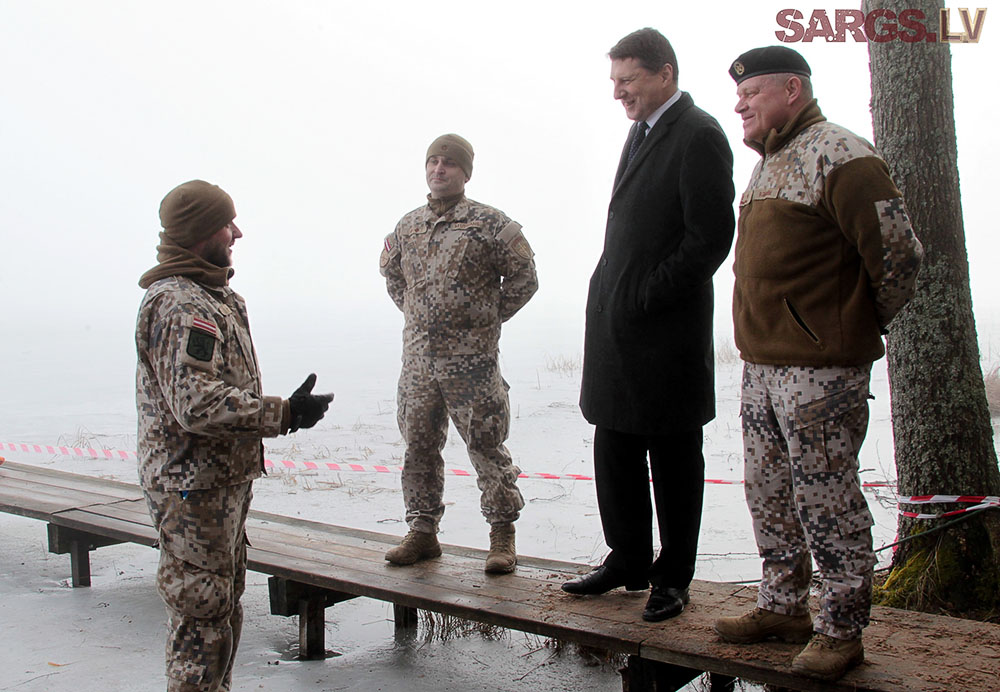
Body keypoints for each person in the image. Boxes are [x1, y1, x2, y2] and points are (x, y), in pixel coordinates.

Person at [712, 46, 923, 681]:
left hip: (821, 372)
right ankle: (783, 607)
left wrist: (851, 325)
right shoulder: (769, 164)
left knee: (827, 499)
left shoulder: (842, 154)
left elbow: (900, 257)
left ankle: (840, 630)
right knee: (769, 492)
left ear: (792, 90)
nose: (740, 104)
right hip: (762, 366)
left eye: (751, 92)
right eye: (738, 94)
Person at [563, 28, 735, 623]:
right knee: (614, 444)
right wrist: (612, 290)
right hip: (618, 329)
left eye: (628, 80)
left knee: (673, 456)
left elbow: (710, 239)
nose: (618, 92)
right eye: (614, 81)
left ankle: (673, 577)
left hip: (666, 335)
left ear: (665, 74)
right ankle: (628, 559)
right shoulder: (641, 132)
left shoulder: (699, 134)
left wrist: (647, 294)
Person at [136, 179, 333, 692]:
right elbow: (197, 404)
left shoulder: (214, 297)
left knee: (219, 604)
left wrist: (282, 413)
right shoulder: (180, 305)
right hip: (192, 489)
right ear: (202, 231)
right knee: (201, 612)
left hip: (217, 485)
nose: (237, 233)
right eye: (227, 224)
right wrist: (283, 413)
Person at [379, 133, 538, 574]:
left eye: (448, 163)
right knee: (419, 447)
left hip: (472, 364)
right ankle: (422, 531)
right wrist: (420, 317)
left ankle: (502, 534)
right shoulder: (408, 226)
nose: (439, 169)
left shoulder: (489, 223)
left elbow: (525, 278)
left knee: (486, 445)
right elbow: (393, 278)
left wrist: (485, 319)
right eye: (433, 161)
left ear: (465, 173)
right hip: (419, 364)